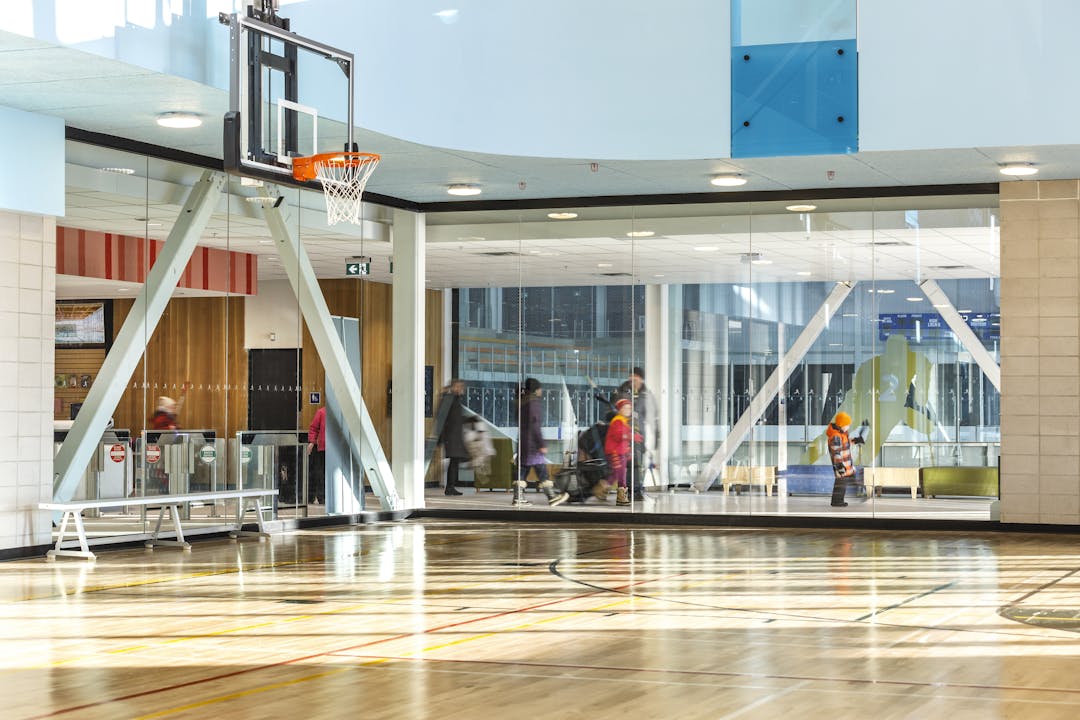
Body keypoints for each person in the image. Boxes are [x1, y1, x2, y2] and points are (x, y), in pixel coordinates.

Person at [515, 378, 569, 508]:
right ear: (536, 390)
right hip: (532, 443)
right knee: (541, 469)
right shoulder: (533, 404)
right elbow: (535, 425)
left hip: (523, 441)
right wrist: (541, 444)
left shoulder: (521, 402)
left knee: (522, 469)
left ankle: (518, 497)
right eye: (540, 388)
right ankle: (551, 497)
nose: (541, 391)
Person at [616, 367, 658, 500]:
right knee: (624, 464)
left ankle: (637, 490)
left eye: (636, 376)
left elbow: (653, 416)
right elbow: (611, 410)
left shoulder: (646, 395)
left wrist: (657, 434)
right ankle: (624, 491)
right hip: (622, 435)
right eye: (631, 376)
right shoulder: (622, 392)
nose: (633, 379)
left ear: (641, 378)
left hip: (638, 436)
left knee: (638, 464)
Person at [600, 398, 642, 506]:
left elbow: (623, 440)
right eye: (625, 408)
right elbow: (619, 436)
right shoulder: (618, 421)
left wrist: (627, 451)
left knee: (616, 474)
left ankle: (603, 489)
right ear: (620, 410)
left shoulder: (623, 421)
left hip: (619, 452)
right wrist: (632, 436)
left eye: (629, 408)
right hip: (615, 453)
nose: (628, 410)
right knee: (620, 474)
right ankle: (619, 496)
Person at [434, 379, 470, 496]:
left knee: (455, 461)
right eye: (459, 387)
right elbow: (442, 418)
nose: (461, 390)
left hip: (454, 435)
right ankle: (450, 487)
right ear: (454, 387)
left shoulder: (453, 399)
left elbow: (456, 417)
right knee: (454, 461)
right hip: (451, 436)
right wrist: (439, 437)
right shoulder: (449, 399)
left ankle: (450, 487)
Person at [827, 411, 864, 507]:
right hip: (842, 465)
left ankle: (838, 500)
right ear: (841, 425)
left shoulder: (842, 434)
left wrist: (856, 440)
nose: (848, 427)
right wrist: (840, 466)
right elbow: (836, 452)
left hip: (846, 464)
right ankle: (837, 501)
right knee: (841, 484)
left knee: (842, 483)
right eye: (847, 425)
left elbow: (846, 442)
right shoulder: (836, 436)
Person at [463, 416, 495, 484]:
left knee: (482, 463)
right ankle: (480, 469)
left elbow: (483, 439)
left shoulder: (479, 429)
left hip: (482, 449)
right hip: (480, 450)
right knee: (480, 463)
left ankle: (480, 468)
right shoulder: (471, 431)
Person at [307, 404, 326, 504]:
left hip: (334, 450)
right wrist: (312, 442)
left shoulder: (340, 413)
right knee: (320, 473)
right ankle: (321, 497)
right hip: (322, 448)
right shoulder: (321, 412)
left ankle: (326, 497)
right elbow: (314, 428)